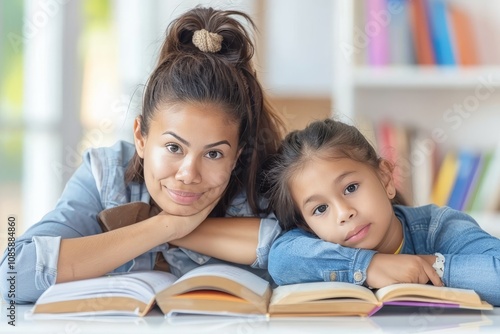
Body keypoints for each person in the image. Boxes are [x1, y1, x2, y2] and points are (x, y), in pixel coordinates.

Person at [0, 6, 286, 304]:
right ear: (140, 136)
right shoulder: (106, 175)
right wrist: (166, 227)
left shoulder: (264, 188)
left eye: (213, 154)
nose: (189, 173)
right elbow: (12, 276)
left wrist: (187, 233)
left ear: (237, 155)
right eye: (174, 148)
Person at [266, 118, 500, 306]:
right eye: (320, 209)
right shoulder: (312, 243)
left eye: (351, 188)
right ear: (307, 225)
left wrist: (427, 267)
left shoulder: (438, 227)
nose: (343, 213)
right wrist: (369, 266)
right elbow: (280, 259)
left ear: (385, 178)